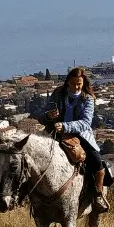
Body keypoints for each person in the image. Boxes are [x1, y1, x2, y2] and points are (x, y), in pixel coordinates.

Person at [44, 66, 109, 213]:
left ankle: (98, 195)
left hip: (80, 135)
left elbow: (85, 122)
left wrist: (65, 126)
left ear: (83, 83)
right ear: (68, 82)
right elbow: (42, 113)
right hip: (55, 132)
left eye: (78, 84)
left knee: (96, 160)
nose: (75, 87)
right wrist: (49, 116)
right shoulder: (58, 94)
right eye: (73, 83)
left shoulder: (88, 98)